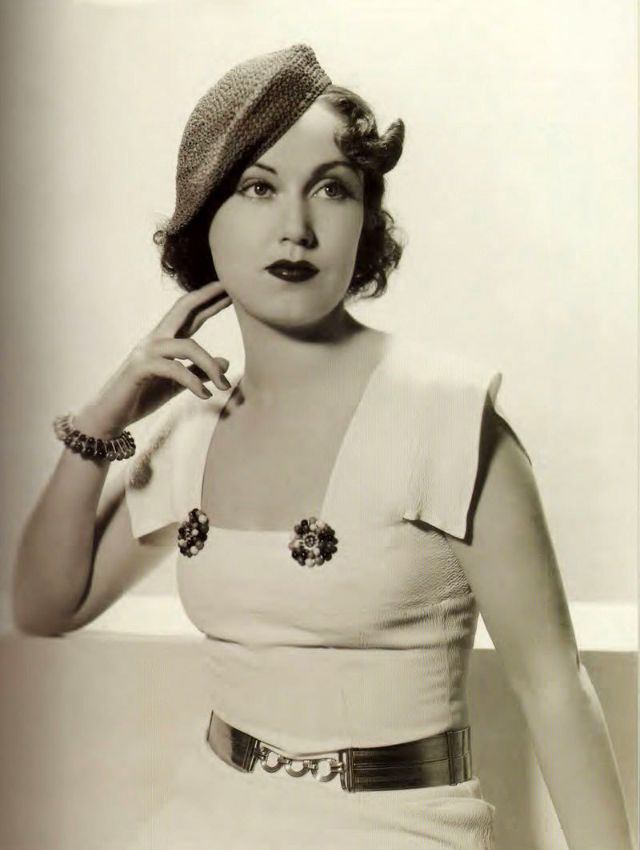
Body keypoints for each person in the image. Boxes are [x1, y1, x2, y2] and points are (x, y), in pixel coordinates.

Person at [12, 44, 633, 850]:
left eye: (332, 188)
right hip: (208, 818)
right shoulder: (194, 429)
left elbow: (553, 688)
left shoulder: (450, 416)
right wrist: (105, 415)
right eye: (258, 187)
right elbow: (46, 605)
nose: (296, 228)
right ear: (206, 218)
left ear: (366, 220)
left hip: (406, 828)